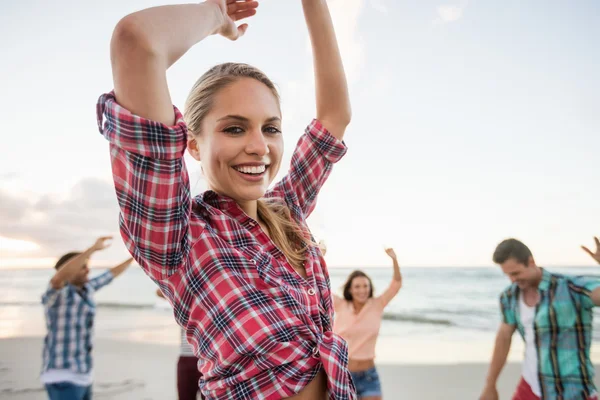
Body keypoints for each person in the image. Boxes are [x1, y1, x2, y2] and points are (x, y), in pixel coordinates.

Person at [97, 0, 354, 398]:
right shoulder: (178, 237)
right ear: (194, 145)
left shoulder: (287, 213)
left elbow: (334, 116)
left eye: (270, 128)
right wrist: (219, 16)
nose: (259, 147)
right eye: (234, 129)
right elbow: (136, 41)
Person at [480, 237, 600, 400]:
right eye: (507, 274)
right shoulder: (510, 296)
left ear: (531, 262)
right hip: (530, 388)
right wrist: (490, 384)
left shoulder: (570, 288)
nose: (512, 280)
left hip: (571, 392)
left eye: (516, 273)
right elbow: (504, 337)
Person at [41, 236, 134, 400]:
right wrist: (92, 249)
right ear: (69, 270)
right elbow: (57, 279)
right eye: (83, 267)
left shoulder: (87, 289)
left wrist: (137, 253)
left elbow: (112, 273)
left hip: (84, 374)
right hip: (62, 377)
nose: (88, 270)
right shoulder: (57, 295)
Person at [333, 248, 403, 400]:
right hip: (343, 375)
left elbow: (396, 284)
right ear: (350, 290)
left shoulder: (377, 304)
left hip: (369, 375)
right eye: (357, 286)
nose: (362, 290)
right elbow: (318, 289)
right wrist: (318, 259)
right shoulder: (340, 305)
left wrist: (394, 260)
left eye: (365, 286)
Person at [156, 289, 205, 400]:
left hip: (207, 359)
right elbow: (159, 291)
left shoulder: (212, 300)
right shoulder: (184, 299)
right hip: (186, 357)